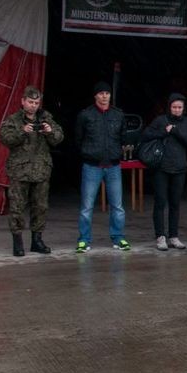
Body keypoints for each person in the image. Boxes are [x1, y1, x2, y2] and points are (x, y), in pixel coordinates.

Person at [0, 85, 64, 256]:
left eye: (36, 102)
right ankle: (18, 242)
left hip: (41, 171)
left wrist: (49, 131)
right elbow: (5, 138)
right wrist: (22, 132)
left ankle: (37, 240)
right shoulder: (13, 120)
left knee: (40, 207)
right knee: (17, 207)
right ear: (23, 101)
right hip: (20, 171)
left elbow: (59, 138)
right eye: (30, 102)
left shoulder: (45, 118)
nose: (33, 105)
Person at [75, 82, 129, 253]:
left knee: (118, 206)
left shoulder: (118, 114)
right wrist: (87, 153)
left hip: (113, 165)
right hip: (92, 165)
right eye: (101, 93)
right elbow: (78, 139)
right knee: (87, 206)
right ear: (95, 96)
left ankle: (118, 237)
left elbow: (123, 136)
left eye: (107, 93)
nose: (105, 96)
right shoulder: (85, 115)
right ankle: (84, 240)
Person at [142, 93, 187, 251]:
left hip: (179, 168)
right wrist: (164, 132)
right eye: (174, 107)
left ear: (184, 108)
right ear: (169, 107)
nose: (177, 110)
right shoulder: (160, 120)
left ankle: (174, 236)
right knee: (160, 202)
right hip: (161, 168)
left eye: (180, 107)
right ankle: (160, 236)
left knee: (175, 204)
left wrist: (176, 131)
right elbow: (146, 135)